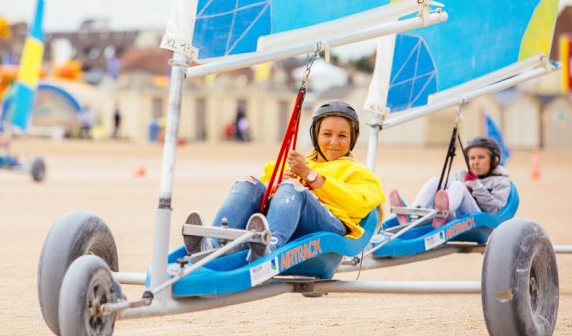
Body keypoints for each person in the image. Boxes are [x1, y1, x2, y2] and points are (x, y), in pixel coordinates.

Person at [185, 100, 385, 261]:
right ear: (316, 135)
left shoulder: (359, 172)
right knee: (249, 183)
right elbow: (264, 186)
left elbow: (357, 204)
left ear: (352, 139)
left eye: (342, 136)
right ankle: (212, 244)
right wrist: (275, 184)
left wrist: (310, 176)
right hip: (285, 219)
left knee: (293, 188)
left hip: (329, 225)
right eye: (327, 134)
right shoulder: (297, 162)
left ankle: (269, 247)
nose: (334, 142)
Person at [390, 135, 511, 228]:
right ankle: (412, 214)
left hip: (479, 222)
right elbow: (445, 195)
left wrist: (477, 187)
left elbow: (494, 210)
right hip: (455, 217)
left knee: (459, 185)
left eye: (481, 157)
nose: (475, 162)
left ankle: (442, 214)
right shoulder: (462, 175)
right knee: (436, 181)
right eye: (472, 158)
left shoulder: (501, 181)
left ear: (494, 160)